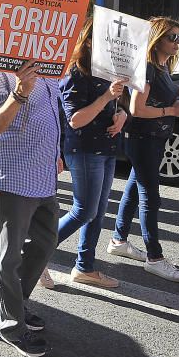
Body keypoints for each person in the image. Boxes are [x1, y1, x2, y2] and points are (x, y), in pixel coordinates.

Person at [0, 60, 62, 357]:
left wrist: (57, 152)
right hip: (10, 174)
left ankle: (6, 302)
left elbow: (52, 113)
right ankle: (11, 324)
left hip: (43, 174)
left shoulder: (52, 65)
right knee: (7, 255)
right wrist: (19, 92)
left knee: (46, 241)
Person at [43, 19, 128, 290]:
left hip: (106, 148)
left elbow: (116, 107)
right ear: (90, 41)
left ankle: (84, 267)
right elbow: (76, 120)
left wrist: (121, 114)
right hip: (84, 149)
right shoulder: (76, 73)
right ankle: (33, 250)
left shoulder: (109, 72)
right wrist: (105, 98)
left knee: (98, 212)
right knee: (84, 210)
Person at [112, 17, 179, 283]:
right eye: (172, 37)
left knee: (135, 189)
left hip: (154, 138)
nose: (176, 42)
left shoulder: (162, 67)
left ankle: (118, 239)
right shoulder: (147, 68)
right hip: (143, 139)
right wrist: (172, 110)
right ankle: (155, 258)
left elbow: (162, 95)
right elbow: (137, 108)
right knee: (150, 197)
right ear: (156, 39)